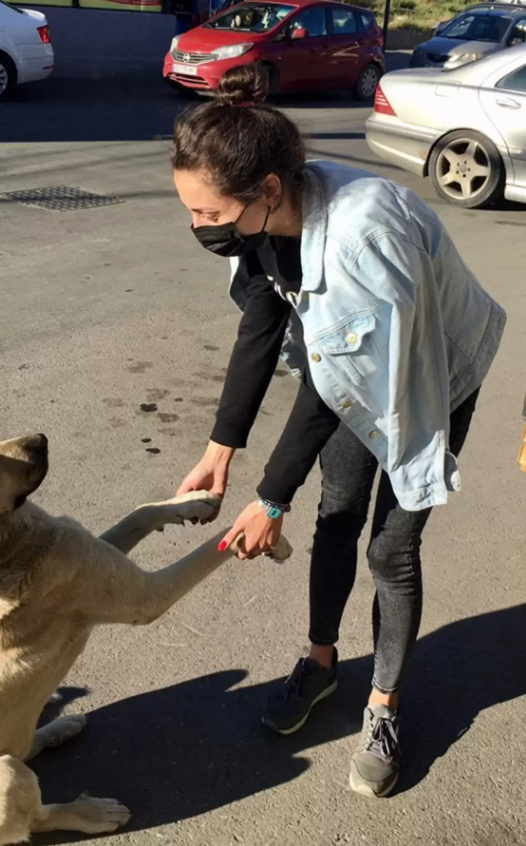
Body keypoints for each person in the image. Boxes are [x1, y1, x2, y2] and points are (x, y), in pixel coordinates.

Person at [171, 64, 506, 797]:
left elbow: (337, 389)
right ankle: (321, 665)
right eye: (190, 210)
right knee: (338, 512)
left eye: (207, 212)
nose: (198, 227)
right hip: (353, 359)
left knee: (391, 548)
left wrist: (271, 497)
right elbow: (264, 326)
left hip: (433, 369)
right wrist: (220, 448)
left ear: (266, 190)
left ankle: (383, 705)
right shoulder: (267, 217)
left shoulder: (363, 241)